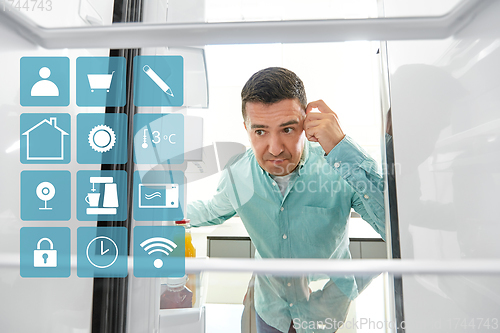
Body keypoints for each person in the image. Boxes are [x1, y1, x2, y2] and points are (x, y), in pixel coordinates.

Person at [187, 67, 385, 333]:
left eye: (287, 129)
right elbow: (212, 210)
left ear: (306, 123)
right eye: (260, 132)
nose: (275, 148)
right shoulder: (238, 173)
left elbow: (395, 228)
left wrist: (341, 146)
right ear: (246, 129)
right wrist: (154, 213)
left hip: (326, 310)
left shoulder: (339, 165)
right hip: (270, 309)